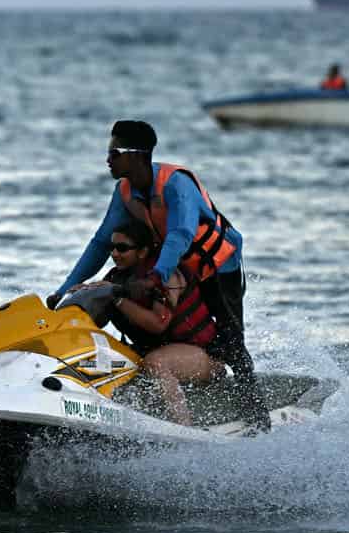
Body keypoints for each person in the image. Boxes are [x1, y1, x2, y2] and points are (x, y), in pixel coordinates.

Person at [48, 119, 270, 432]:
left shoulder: (176, 184)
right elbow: (100, 242)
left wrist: (156, 275)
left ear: (137, 155)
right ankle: (182, 379)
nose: (108, 159)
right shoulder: (124, 191)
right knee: (172, 330)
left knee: (232, 343)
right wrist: (64, 289)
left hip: (218, 269)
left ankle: (258, 421)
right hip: (177, 269)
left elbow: (180, 234)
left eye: (114, 152)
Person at [83, 222, 222, 424]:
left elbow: (159, 323)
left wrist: (117, 299)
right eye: (111, 247)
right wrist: (84, 297)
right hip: (154, 349)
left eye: (122, 248)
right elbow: (97, 321)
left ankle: (185, 428)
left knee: (155, 362)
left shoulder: (168, 277)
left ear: (142, 252)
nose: (114, 253)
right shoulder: (116, 278)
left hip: (202, 356)